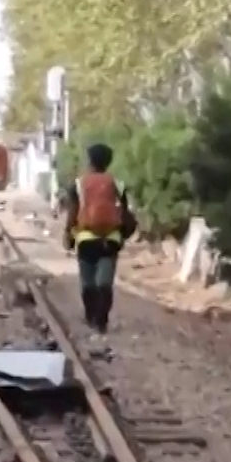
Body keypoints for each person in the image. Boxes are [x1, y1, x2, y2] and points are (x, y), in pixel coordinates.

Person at [62, 142, 136, 333]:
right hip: (110, 240)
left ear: (90, 161)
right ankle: (101, 322)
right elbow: (126, 213)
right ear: (109, 162)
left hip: (85, 238)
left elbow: (73, 212)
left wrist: (67, 234)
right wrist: (124, 234)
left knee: (87, 283)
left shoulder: (78, 184)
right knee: (104, 283)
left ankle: (90, 316)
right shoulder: (118, 184)